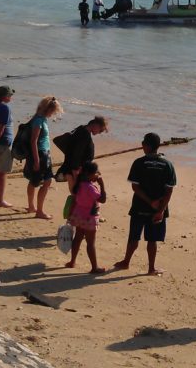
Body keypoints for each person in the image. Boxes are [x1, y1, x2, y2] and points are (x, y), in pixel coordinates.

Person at [112, 132, 176, 276]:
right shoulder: (167, 165)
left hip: (140, 206)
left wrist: (149, 201)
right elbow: (169, 190)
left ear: (145, 146)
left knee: (134, 236)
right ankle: (151, 268)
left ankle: (126, 262)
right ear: (158, 146)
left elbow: (135, 187)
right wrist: (160, 209)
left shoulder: (139, 163)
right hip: (159, 208)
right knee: (152, 240)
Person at [65, 161, 107, 274]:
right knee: (90, 243)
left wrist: (70, 214)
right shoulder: (90, 188)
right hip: (89, 217)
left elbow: (75, 200)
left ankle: (72, 261)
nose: (97, 174)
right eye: (96, 173)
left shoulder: (79, 185)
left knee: (77, 238)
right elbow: (102, 199)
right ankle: (94, 267)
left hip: (79, 215)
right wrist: (102, 184)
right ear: (90, 174)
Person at [25, 96, 63, 219]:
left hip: (43, 153)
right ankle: (38, 210)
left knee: (39, 181)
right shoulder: (38, 121)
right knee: (42, 181)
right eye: (53, 111)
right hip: (41, 154)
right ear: (48, 109)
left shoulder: (40, 119)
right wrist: (36, 160)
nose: (54, 114)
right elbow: (33, 141)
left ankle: (32, 207)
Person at [57, 115, 108, 186]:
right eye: (100, 130)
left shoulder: (82, 129)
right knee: (76, 193)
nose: (99, 133)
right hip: (75, 171)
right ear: (96, 125)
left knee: (77, 193)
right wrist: (76, 173)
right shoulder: (84, 135)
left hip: (77, 169)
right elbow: (76, 154)